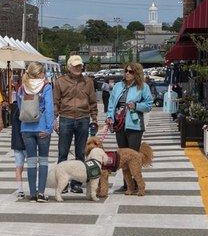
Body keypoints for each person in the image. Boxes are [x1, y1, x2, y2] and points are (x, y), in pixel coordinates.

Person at [106, 62, 154, 193]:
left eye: (130, 71)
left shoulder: (143, 87)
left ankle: (136, 183)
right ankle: (127, 185)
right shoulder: (117, 86)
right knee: (122, 156)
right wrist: (109, 116)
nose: (127, 73)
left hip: (134, 125)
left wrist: (137, 106)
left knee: (133, 157)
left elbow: (149, 104)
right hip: (119, 124)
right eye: (126, 71)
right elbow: (111, 104)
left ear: (136, 73)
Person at [53, 55, 97, 194]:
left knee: (80, 153)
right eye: (76, 65)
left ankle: (76, 183)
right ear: (69, 66)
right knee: (63, 153)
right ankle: (62, 183)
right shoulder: (60, 81)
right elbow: (56, 102)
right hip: (66, 118)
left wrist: (94, 118)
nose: (79, 68)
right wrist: (54, 119)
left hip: (83, 118)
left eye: (80, 65)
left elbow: (92, 101)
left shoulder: (88, 81)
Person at [18, 62, 54, 202]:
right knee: (43, 161)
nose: (44, 74)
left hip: (26, 128)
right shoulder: (46, 87)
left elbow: (21, 108)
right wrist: (49, 128)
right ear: (39, 73)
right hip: (42, 128)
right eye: (43, 72)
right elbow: (50, 109)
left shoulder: (22, 88)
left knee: (31, 161)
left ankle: (32, 194)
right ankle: (41, 193)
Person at [10, 101, 26, 200]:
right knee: (32, 165)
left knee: (18, 166)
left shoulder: (16, 112)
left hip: (17, 143)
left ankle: (20, 190)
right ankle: (35, 188)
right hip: (27, 142)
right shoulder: (28, 112)